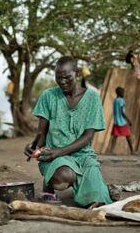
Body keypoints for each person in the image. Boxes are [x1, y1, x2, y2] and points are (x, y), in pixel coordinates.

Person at [24, 56, 112, 209]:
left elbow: (87, 137)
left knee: (99, 201)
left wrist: (59, 151)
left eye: (67, 77)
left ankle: (95, 188)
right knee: (65, 177)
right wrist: (34, 147)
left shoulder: (92, 98)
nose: (62, 81)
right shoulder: (48, 96)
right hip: (55, 157)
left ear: (76, 73)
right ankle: (49, 185)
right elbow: (41, 133)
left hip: (83, 155)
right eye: (58, 78)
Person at [108, 86, 134, 154]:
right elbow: (122, 112)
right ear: (120, 93)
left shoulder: (115, 100)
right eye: (123, 92)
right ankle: (132, 151)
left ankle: (111, 151)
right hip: (122, 122)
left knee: (115, 136)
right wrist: (129, 120)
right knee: (128, 136)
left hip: (116, 121)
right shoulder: (121, 100)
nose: (123, 93)